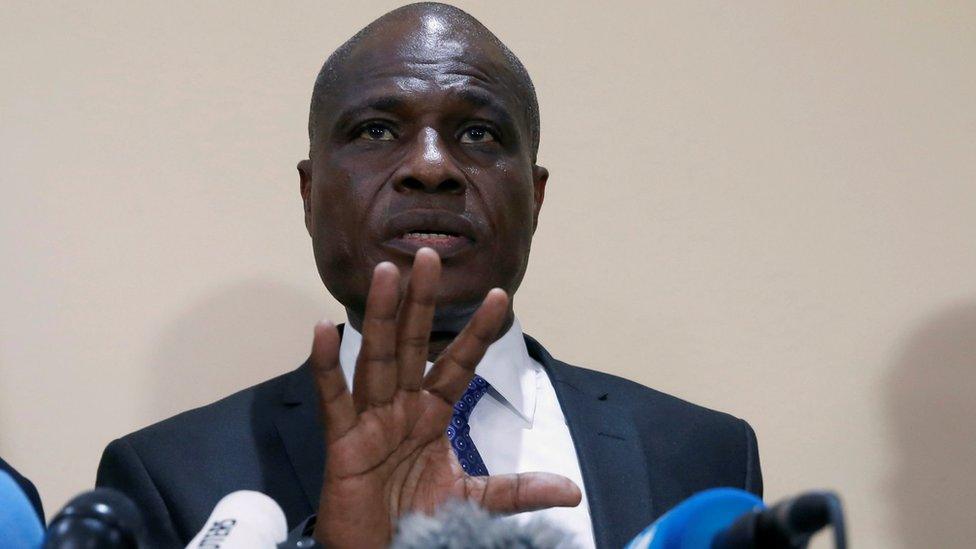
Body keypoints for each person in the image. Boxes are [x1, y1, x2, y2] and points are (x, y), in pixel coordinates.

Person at [96, 3, 762, 547]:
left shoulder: (705, 457)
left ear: (536, 196)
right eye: (378, 131)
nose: (432, 167)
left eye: (477, 134)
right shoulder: (166, 477)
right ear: (309, 193)